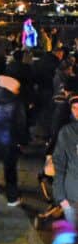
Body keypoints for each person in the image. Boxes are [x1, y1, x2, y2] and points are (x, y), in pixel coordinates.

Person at [0, 74, 27, 207]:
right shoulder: (16, 102)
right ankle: (12, 198)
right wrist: (22, 142)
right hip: (8, 142)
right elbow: (20, 124)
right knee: (10, 170)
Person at [51, 93, 78, 222]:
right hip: (72, 198)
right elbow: (60, 164)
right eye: (74, 108)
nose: (77, 112)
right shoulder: (66, 132)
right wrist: (61, 197)